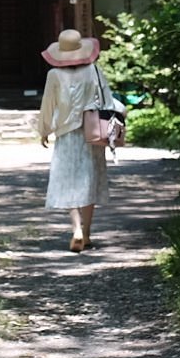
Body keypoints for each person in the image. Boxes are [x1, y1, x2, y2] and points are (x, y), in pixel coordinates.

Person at [37, 28, 112, 253]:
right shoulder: (94, 71)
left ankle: (76, 228)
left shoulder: (54, 75)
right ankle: (87, 234)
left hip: (66, 133)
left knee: (68, 181)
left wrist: (44, 130)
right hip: (92, 133)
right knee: (88, 181)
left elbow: (48, 104)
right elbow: (107, 100)